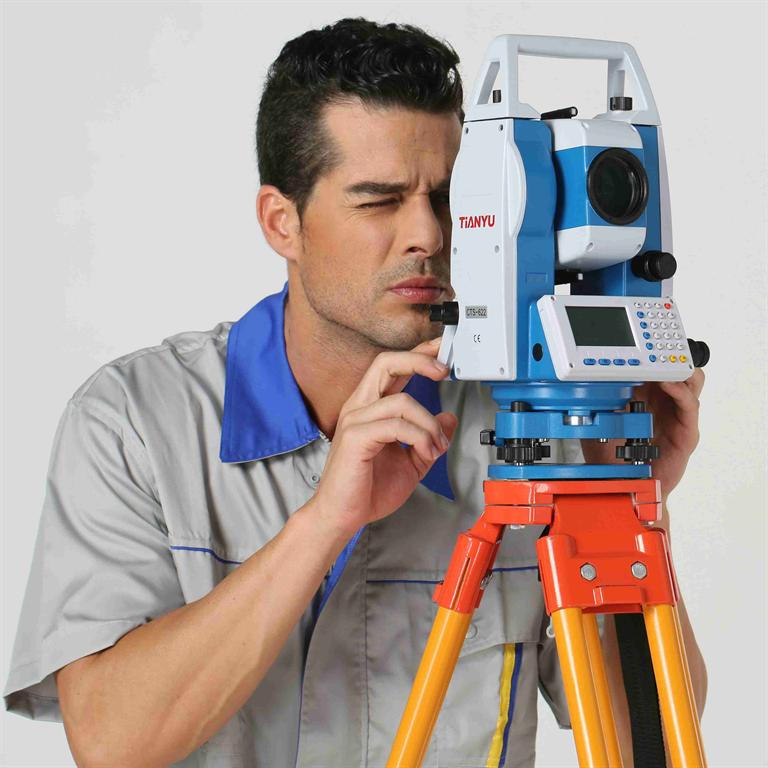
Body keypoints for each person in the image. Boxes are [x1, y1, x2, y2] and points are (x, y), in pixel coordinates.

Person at [3, 18, 706, 768]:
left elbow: (653, 743)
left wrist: (627, 504)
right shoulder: (136, 422)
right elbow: (111, 741)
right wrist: (324, 523)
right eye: (379, 201)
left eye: (449, 198)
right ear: (282, 223)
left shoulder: (536, 425)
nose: (428, 235)